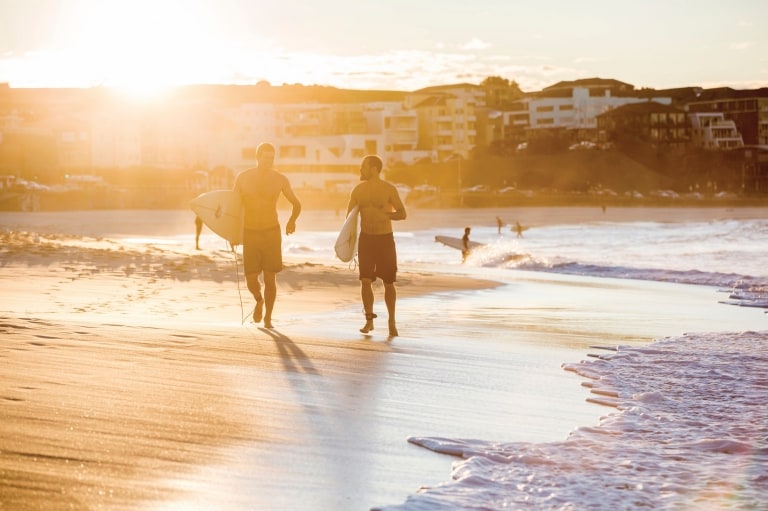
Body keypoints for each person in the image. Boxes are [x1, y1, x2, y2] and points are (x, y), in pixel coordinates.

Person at [234, 142, 301, 328]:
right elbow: (234, 207)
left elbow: (296, 204)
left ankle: (268, 318)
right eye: (265, 158)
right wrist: (232, 234)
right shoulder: (243, 178)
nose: (269, 162)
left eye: (272, 158)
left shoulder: (280, 179)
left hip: (271, 232)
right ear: (257, 157)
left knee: (270, 278)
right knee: (251, 279)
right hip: (250, 233)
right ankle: (259, 300)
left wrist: (292, 221)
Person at [345, 154, 407, 337]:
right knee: (365, 281)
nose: (360, 170)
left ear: (373, 169)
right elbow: (349, 218)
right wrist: (349, 243)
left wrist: (386, 216)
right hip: (366, 240)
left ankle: (391, 322)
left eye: (363, 166)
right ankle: (369, 320)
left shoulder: (389, 189)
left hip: (384, 239)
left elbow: (402, 213)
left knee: (388, 282)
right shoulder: (358, 191)